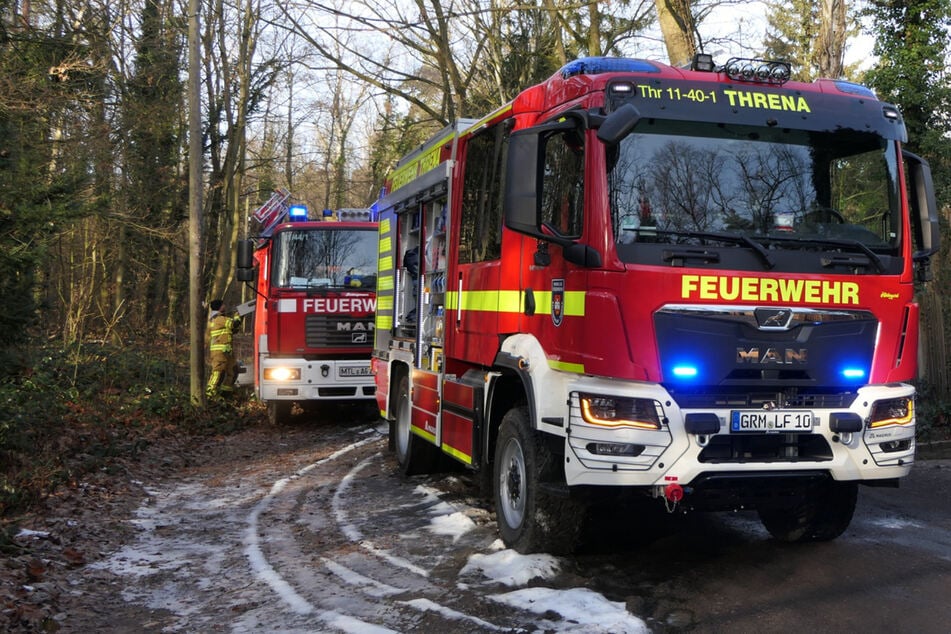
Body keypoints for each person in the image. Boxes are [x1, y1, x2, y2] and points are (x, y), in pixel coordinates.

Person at [206, 298, 241, 399]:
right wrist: (238, 315)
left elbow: (233, 330)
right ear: (220, 307)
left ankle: (225, 394)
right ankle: (209, 395)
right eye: (223, 305)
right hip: (219, 352)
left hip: (226, 351)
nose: (225, 306)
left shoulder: (216, 319)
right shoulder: (219, 319)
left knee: (233, 371)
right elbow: (234, 324)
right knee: (218, 372)